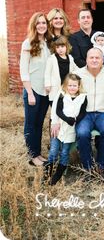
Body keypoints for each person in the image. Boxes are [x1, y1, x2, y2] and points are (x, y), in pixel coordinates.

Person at [75, 48, 104, 179]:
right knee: (82, 133)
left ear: (103, 60)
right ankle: (88, 168)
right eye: (91, 57)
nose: (94, 60)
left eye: (97, 58)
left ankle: (100, 167)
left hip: (103, 113)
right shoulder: (77, 74)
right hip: (84, 113)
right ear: (86, 59)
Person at [20, 12, 51, 166]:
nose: (41, 25)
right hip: (33, 90)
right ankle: (32, 157)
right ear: (34, 25)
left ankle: (38, 154)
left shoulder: (47, 44)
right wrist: (30, 93)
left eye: (44, 23)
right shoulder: (28, 43)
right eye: (38, 23)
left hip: (45, 91)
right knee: (31, 124)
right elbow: (24, 71)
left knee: (39, 123)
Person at [44, 73, 87, 185]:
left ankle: (57, 175)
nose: (72, 88)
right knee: (53, 151)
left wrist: (76, 119)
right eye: (70, 85)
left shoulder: (83, 97)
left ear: (78, 86)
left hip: (71, 129)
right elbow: (58, 110)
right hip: (59, 126)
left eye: (75, 86)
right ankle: (47, 174)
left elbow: (83, 112)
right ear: (65, 86)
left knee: (64, 153)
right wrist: (67, 119)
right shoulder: (62, 95)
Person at [44, 36, 79, 102]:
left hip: (66, 85)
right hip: (56, 85)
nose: (60, 49)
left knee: (65, 103)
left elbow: (76, 69)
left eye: (62, 46)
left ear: (67, 46)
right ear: (55, 48)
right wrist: (47, 84)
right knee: (56, 103)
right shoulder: (52, 59)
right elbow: (47, 73)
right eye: (57, 47)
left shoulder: (70, 58)